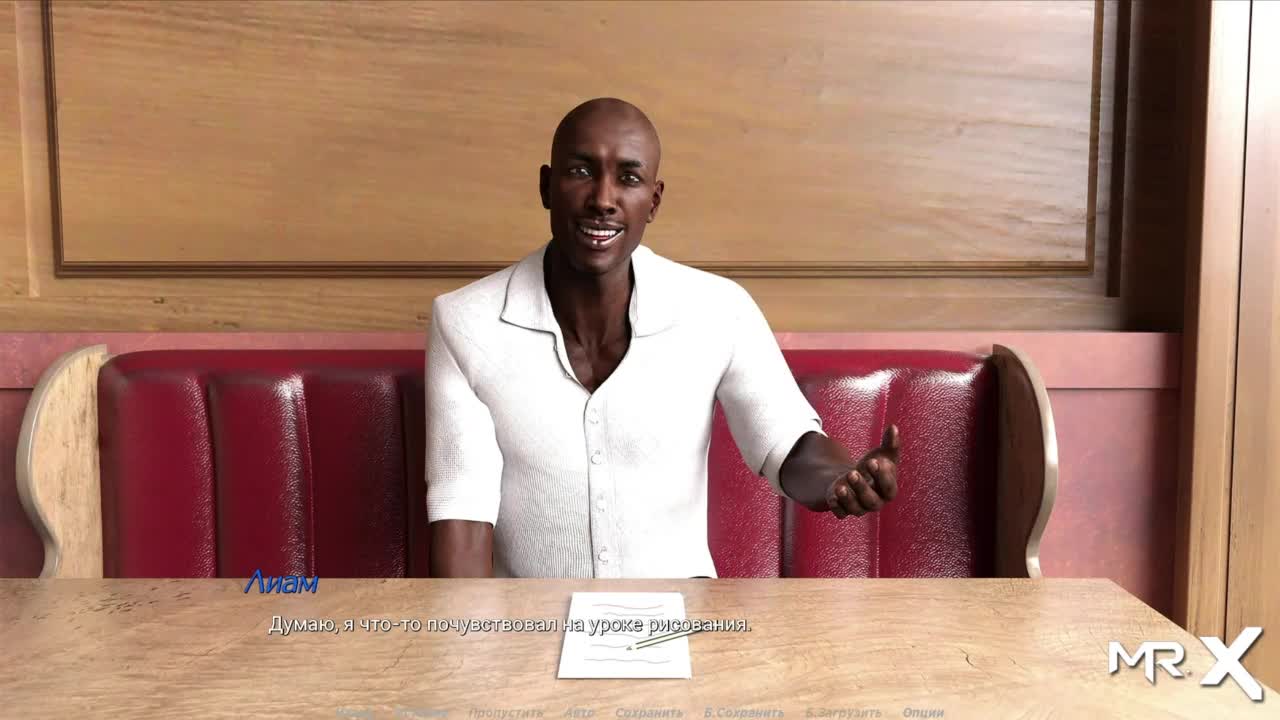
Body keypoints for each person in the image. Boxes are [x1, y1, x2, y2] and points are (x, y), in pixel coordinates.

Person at [426, 98, 900, 578]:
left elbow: (787, 442)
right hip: (534, 621)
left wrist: (839, 479)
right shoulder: (465, 322)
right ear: (547, 186)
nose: (603, 199)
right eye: (581, 172)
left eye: (628, 178)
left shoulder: (718, 309)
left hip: (682, 616)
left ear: (653, 201)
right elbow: (461, 516)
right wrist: (471, 630)